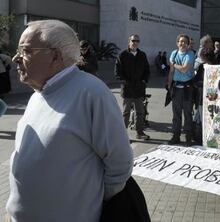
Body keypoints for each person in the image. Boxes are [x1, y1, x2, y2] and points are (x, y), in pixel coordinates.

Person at [6, 19, 133, 221]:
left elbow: (120, 165)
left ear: (55, 56)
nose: (15, 58)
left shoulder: (92, 93)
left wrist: (87, 202)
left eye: (26, 51)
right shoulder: (37, 94)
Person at [115, 34, 150, 140]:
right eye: (133, 40)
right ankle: (122, 135)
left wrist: (144, 81)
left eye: (137, 41)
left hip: (139, 88)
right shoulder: (122, 55)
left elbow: (147, 70)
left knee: (140, 112)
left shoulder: (142, 55)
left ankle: (139, 132)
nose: (135, 43)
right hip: (127, 89)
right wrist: (125, 82)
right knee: (126, 112)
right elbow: (117, 72)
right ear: (129, 42)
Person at [167, 34, 195, 146]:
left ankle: (188, 137)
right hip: (176, 88)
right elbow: (171, 71)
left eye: (184, 42)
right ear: (177, 43)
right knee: (176, 114)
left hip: (187, 88)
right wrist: (169, 85)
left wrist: (173, 63)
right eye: (180, 41)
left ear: (188, 44)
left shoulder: (190, 54)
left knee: (188, 113)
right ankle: (176, 136)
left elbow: (184, 69)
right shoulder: (174, 53)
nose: (182, 43)